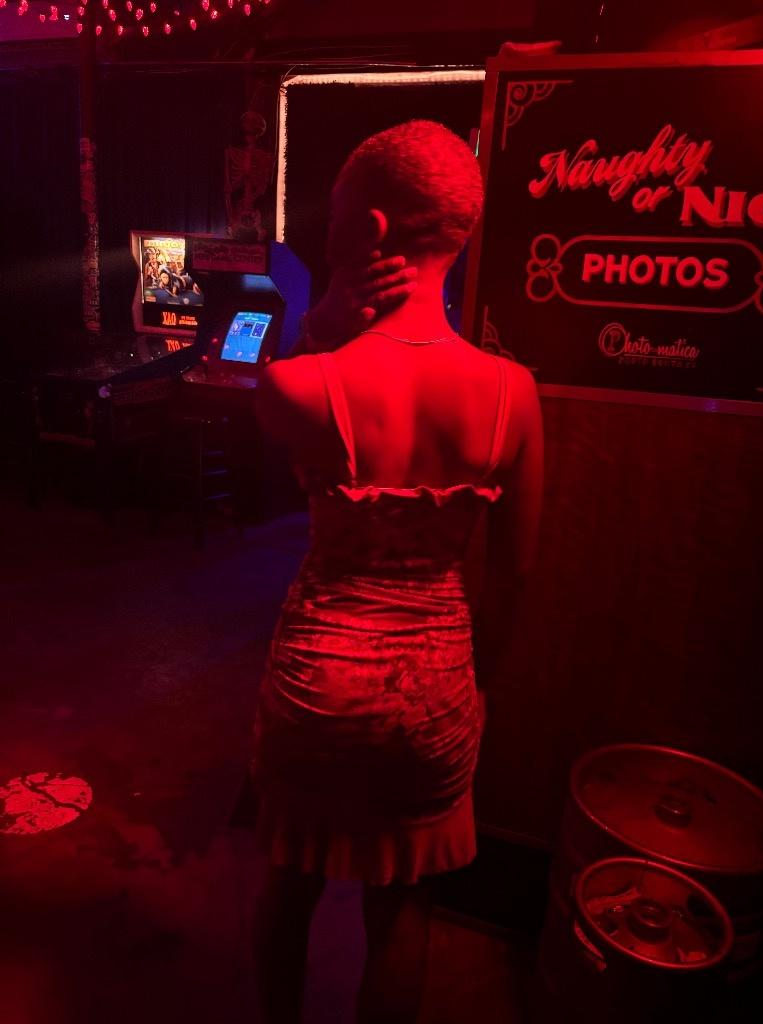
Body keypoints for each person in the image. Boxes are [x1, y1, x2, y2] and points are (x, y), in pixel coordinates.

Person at [250, 120, 543, 1024]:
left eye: (335, 214)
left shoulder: (301, 383)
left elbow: (268, 401)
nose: (325, 230)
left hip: (316, 682)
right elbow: (515, 576)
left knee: (289, 884)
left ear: (371, 230)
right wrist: (476, 690)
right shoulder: (514, 394)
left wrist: (316, 328)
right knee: (404, 906)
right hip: (434, 688)